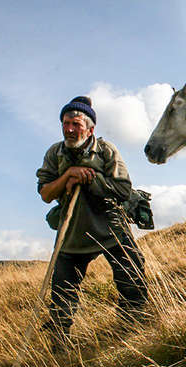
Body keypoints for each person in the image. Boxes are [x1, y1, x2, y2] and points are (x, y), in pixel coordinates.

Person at [37, 96, 147, 346]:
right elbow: (45, 193)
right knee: (62, 295)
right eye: (65, 123)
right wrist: (67, 176)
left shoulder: (106, 150)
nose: (69, 129)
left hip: (111, 229)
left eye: (75, 124)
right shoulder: (55, 153)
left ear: (90, 128)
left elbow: (123, 190)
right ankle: (59, 346)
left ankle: (135, 332)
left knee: (132, 279)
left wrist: (91, 179)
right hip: (72, 232)